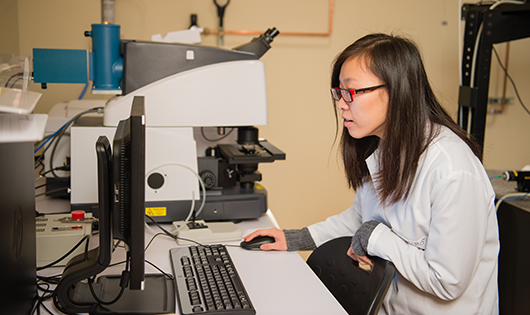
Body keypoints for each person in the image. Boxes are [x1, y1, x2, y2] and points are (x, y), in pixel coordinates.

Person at [244, 33, 499, 314]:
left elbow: (448, 281)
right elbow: (360, 218)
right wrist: (296, 238)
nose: (341, 103)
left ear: (396, 91)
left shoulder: (452, 169)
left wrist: (376, 237)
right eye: (338, 92)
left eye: (350, 92)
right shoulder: (385, 148)